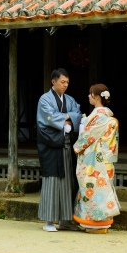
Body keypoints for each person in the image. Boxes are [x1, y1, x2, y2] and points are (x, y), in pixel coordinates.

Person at [36, 68, 82, 232]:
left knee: (69, 181)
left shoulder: (69, 99)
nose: (65, 85)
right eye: (62, 82)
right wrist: (67, 121)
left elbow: (77, 113)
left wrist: (67, 119)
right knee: (52, 181)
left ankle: (65, 220)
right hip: (51, 145)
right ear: (53, 81)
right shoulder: (45, 99)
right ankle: (49, 221)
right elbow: (48, 118)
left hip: (67, 145)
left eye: (67, 82)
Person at [73, 83, 120, 233]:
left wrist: (77, 147)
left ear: (97, 97)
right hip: (106, 159)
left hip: (96, 160)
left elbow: (88, 136)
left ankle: (96, 223)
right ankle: (100, 223)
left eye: (90, 93)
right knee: (102, 190)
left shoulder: (99, 117)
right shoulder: (108, 117)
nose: (88, 96)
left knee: (93, 190)